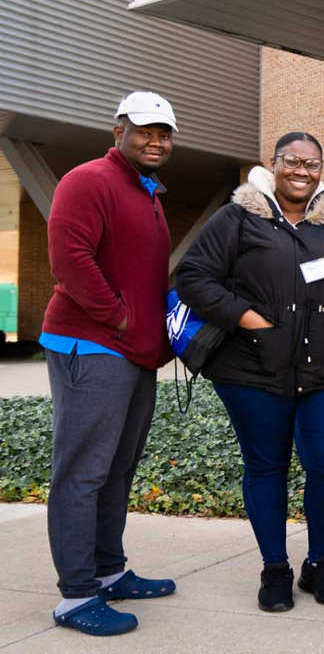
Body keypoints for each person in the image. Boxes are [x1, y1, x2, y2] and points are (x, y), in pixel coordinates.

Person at [176, 132, 324, 612]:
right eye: (292, 161)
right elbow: (193, 276)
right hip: (253, 369)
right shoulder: (237, 217)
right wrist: (247, 318)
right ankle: (275, 568)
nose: (302, 171)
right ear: (274, 164)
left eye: (312, 163)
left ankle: (321, 562)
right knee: (266, 466)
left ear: (323, 170)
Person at [41, 92, 179, 637]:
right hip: (92, 345)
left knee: (117, 470)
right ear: (118, 128)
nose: (156, 141)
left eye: (164, 133)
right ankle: (76, 597)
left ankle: (108, 571)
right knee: (83, 472)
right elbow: (68, 257)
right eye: (145, 130)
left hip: (133, 351)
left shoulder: (145, 191)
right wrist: (119, 318)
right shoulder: (89, 179)